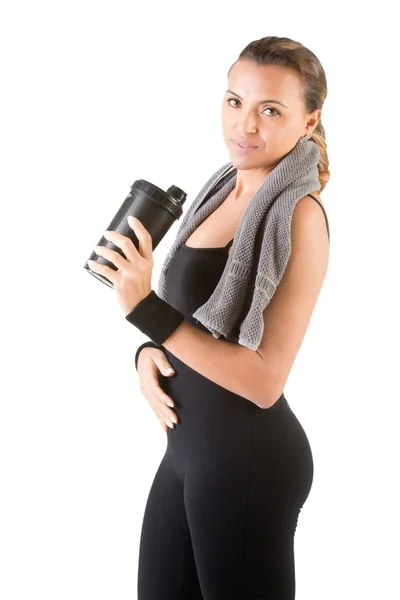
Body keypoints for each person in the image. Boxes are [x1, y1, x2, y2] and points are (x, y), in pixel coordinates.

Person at [135, 36, 330, 600]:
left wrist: (144, 310)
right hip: (186, 455)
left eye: (271, 109)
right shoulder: (218, 191)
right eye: (234, 101)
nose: (245, 124)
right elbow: (185, 322)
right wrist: (148, 350)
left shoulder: (299, 214)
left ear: (310, 120)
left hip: (248, 461)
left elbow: (265, 381)